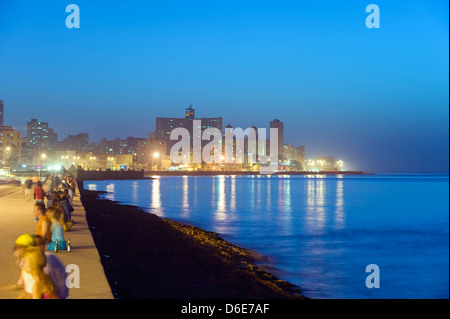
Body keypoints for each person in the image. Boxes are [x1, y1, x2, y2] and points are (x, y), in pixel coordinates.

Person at [0, 234, 69, 299]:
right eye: (16, 258)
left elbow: (29, 293)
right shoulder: (43, 276)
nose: (21, 263)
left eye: (24, 260)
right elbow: (22, 286)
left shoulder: (38, 283)